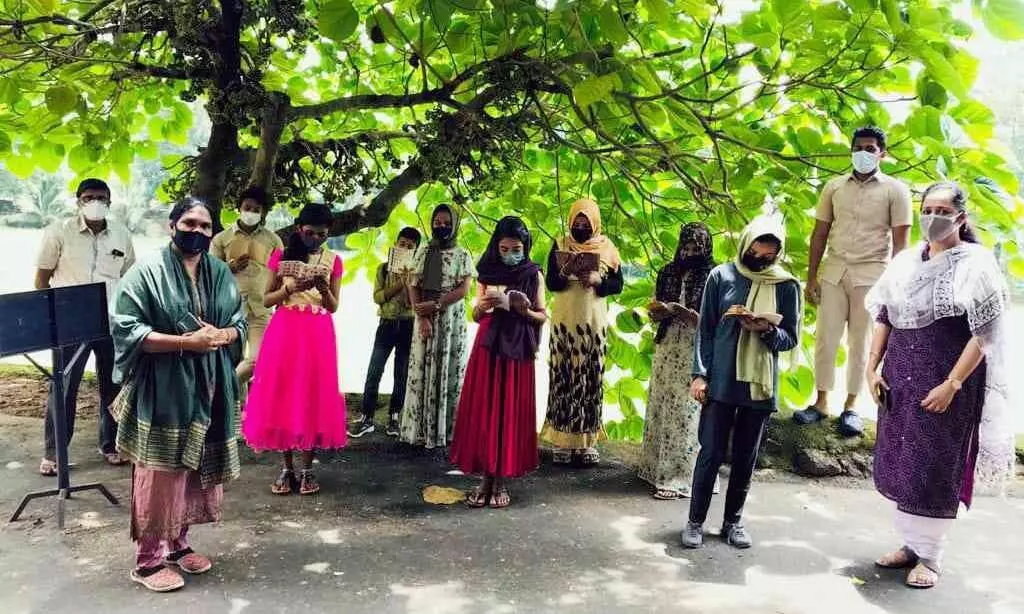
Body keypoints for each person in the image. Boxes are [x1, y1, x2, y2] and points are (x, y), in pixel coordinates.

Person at [865, 181, 1013, 589]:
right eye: (927, 209)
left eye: (943, 212)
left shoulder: (976, 264)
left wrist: (953, 384)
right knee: (904, 459)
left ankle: (930, 557)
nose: (933, 218)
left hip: (946, 381)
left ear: (961, 219)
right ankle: (911, 545)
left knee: (934, 463)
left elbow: (984, 334)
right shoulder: (906, 262)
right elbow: (883, 316)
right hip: (901, 378)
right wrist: (872, 368)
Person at [110, 197, 246, 593]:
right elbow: (127, 330)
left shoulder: (219, 271)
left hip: (210, 386)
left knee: (194, 469)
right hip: (163, 388)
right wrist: (185, 342)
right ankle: (148, 560)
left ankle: (178, 545)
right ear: (172, 226)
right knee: (160, 472)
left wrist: (224, 335)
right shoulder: (146, 273)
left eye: (206, 226)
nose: (198, 232)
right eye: (190, 223)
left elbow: (237, 320)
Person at [682, 216, 801, 550]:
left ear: (778, 253)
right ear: (745, 243)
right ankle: (695, 522)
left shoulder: (786, 285)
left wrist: (765, 329)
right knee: (710, 453)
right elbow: (705, 330)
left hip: (759, 385)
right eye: (755, 252)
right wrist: (699, 374)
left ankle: (733, 522)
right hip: (721, 380)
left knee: (746, 458)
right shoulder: (721, 276)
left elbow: (789, 338)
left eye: (768, 256)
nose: (761, 259)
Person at [797, 126, 913, 436]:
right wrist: (811, 278)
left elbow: (902, 244)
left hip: (872, 275)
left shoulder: (895, 191)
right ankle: (820, 402)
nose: (864, 153)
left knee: (861, 342)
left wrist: (895, 285)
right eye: (859, 147)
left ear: (882, 154)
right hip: (834, 271)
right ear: (852, 151)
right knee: (826, 338)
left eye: (871, 148)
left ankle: (850, 407)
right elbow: (819, 233)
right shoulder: (834, 187)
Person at [242, 203, 347, 495]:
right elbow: (266, 300)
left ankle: (308, 468)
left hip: (317, 334)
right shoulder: (281, 256)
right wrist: (290, 288)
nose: (316, 239)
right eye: (310, 233)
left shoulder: (333, 260)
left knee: (313, 394)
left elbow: (334, 307)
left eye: (322, 234)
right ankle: (286, 467)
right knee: (283, 394)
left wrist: (323, 287)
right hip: (285, 330)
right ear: (299, 229)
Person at [35, 177, 136, 475]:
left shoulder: (121, 234)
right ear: (78, 200)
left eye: (101, 198)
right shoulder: (59, 232)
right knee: (63, 386)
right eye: (89, 197)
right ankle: (54, 453)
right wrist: (50, 316)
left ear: (109, 202)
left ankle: (112, 444)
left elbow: (130, 277)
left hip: (110, 320)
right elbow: (42, 278)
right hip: (70, 322)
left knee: (114, 384)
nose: (95, 202)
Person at [450, 217, 547, 509]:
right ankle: (485, 478)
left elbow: (543, 315)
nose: (510, 254)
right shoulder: (486, 272)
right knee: (485, 410)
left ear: (525, 246)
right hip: (488, 346)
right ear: (496, 246)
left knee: (508, 411)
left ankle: (500, 479)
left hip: (516, 347)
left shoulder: (533, 274)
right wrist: (479, 307)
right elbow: (476, 316)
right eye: (504, 248)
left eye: (516, 248)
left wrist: (524, 309)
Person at [540, 199, 623, 467]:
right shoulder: (560, 243)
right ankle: (562, 442)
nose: (580, 227)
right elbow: (551, 283)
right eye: (577, 223)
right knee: (564, 380)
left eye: (586, 224)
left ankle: (586, 443)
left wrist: (601, 281)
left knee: (589, 381)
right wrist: (565, 271)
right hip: (565, 325)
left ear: (595, 223)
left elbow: (618, 285)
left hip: (592, 327)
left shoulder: (608, 247)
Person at [638, 222, 714, 500]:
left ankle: (679, 477)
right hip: (668, 344)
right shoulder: (668, 272)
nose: (690, 252)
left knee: (686, 410)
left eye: (696, 248)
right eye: (686, 247)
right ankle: (653, 469)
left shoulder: (712, 276)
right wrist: (660, 311)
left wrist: (689, 315)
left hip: (693, 348)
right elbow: (656, 310)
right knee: (662, 403)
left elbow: (711, 320)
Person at [400, 204, 473, 449]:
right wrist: (421, 314)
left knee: (450, 370)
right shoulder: (423, 251)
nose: (441, 227)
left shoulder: (462, 254)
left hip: (450, 319)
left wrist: (437, 305)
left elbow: (463, 289)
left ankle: (447, 431)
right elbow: (413, 283)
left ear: (454, 225)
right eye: (437, 222)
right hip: (425, 317)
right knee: (422, 368)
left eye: (446, 223)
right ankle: (420, 430)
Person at [350, 227, 423, 438]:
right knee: (375, 370)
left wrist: (409, 282)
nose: (405, 248)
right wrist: (399, 282)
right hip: (387, 324)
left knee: (401, 373)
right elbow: (379, 297)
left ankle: (394, 416)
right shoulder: (383, 269)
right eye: (402, 244)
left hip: (408, 326)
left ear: (416, 251)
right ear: (395, 244)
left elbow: (413, 303)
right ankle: (367, 417)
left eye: (410, 247)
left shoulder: (417, 274)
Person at [210, 186, 284, 393]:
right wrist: (230, 267)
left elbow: (280, 272)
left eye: (256, 210)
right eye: (247, 208)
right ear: (239, 208)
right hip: (230, 310)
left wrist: (279, 297)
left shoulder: (273, 240)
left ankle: (220, 391)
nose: (251, 213)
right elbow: (209, 272)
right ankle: (235, 412)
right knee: (233, 360)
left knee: (257, 361)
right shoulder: (222, 239)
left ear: (263, 213)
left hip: (261, 310)